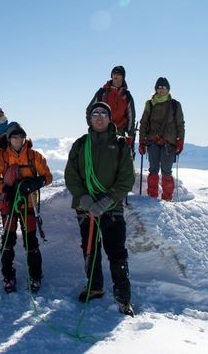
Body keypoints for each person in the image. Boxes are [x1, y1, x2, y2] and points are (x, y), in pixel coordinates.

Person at [64, 102, 135, 316]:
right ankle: (95, 287)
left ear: (110, 118)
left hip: (111, 209)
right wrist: (85, 200)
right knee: (90, 249)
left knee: (117, 252)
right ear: (90, 118)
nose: (99, 117)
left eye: (104, 113)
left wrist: (105, 202)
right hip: (85, 208)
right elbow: (71, 175)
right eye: (95, 114)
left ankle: (123, 296)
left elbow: (126, 178)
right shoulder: (80, 144)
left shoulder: (121, 145)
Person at [0, 122, 52, 293]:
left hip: (28, 204)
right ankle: (8, 276)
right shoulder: (2, 158)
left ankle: (35, 276)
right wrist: (5, 188)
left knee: (31, 242)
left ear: (24, 138)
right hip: (9, 205)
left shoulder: (34, 156)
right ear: (9, 139)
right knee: (8, 241)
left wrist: (35, 182)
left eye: (20, 136)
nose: (17, 139)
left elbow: (47, 177)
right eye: (14, 137)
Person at [138, 77, 186, 201]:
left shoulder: (175, 105)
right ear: (155, 89)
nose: (161, 90)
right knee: (153, 170)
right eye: (159, 87)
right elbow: (144, 123)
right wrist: (142, 141)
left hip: (169, 143)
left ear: (168, 89)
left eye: (163, 87)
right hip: (152, 142)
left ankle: (167, 199)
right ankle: (152, 198)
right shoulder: (150, 104)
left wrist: (180, 140)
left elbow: (180, 124)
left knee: (166, 171)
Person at [86, 65, 136, 146]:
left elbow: (131, 116)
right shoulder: (102, 92)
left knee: (118, 157)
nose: (115, 75)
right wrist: (93, 125)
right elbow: (90, 109)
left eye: (118, 74)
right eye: (114, 73)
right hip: (102, 131)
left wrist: (131, 134)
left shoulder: (127, 95)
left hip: (119, 132)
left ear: (123, 77)